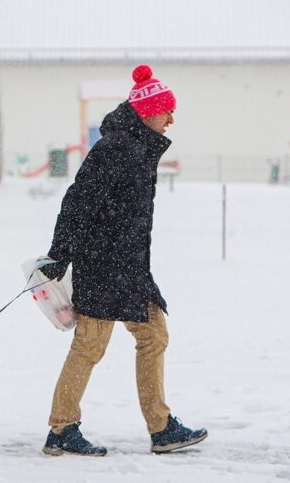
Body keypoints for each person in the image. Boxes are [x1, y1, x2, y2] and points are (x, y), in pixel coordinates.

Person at [39, 65, 207, 456]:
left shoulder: (137, 148)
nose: (171, 119)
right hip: (103, 266)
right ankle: (62, 429)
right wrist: (60, 254)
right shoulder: (117, 148)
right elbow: (78, 202)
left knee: (153, 336)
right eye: (166, 111)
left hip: (128, 267)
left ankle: (161, 427)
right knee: (90, 347)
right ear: (147, 112)